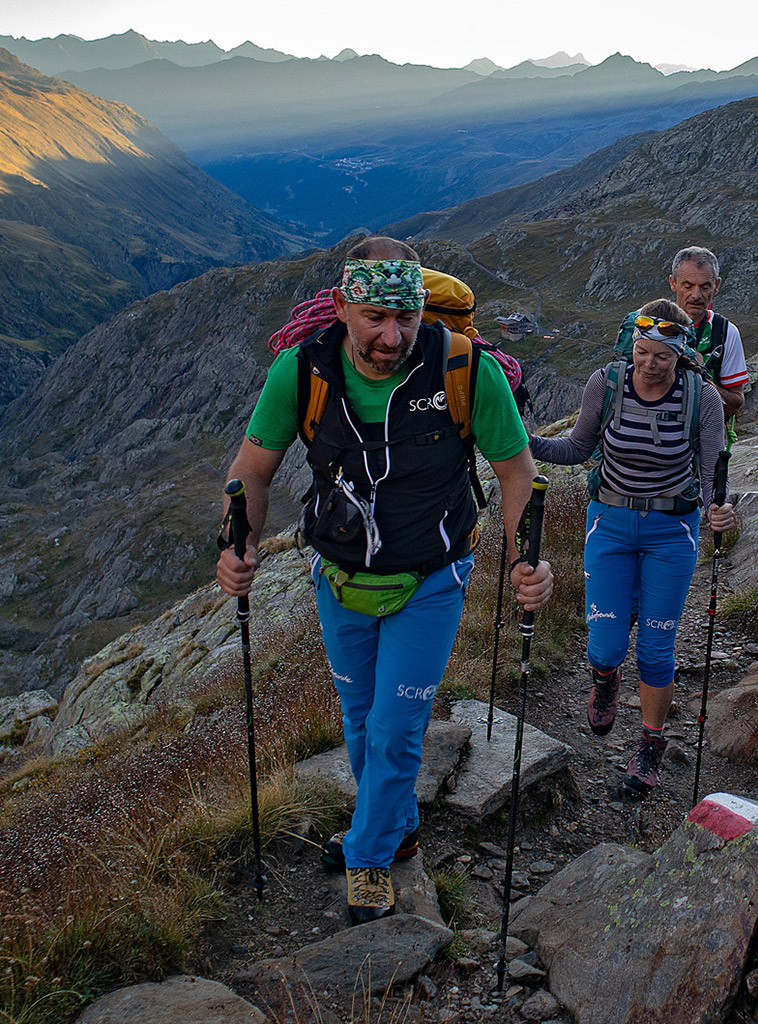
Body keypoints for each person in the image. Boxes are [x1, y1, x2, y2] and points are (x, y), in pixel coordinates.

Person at [216, 236, 553, 925]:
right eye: (374, 318)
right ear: (343, 308)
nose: (392, 337)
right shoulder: (301, 371)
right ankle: (398, 829)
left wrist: (532, 559)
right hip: (338, 576)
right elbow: (251, 470)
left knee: (395, 729)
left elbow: (517, 472)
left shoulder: (466, 370)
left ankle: (367, 856)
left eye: (406, 317)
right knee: (360, 719)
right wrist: (238, 544)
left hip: (431, 579)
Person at [529, 299, 736, 797]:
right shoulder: (606, 383)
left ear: (681, 354)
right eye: (642, 352)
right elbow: (577, 449)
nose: (649, 364)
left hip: (672, 531)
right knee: (605, 646)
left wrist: (720, 509)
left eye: (662, 356)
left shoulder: (702, 397)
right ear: (631, 346)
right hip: (610, 525)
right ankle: (605, 680)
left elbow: (713, 470)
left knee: (656, 651)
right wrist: (521, 440)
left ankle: (650, 745)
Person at [668, 245, 748, 436]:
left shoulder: (725, 332)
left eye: (705, 287)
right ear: (673, 283)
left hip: (702, 439)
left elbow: (735, 404)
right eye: (687, 286)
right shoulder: (648, 323)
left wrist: (698, 381)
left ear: (717, 285)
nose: (696, 295)